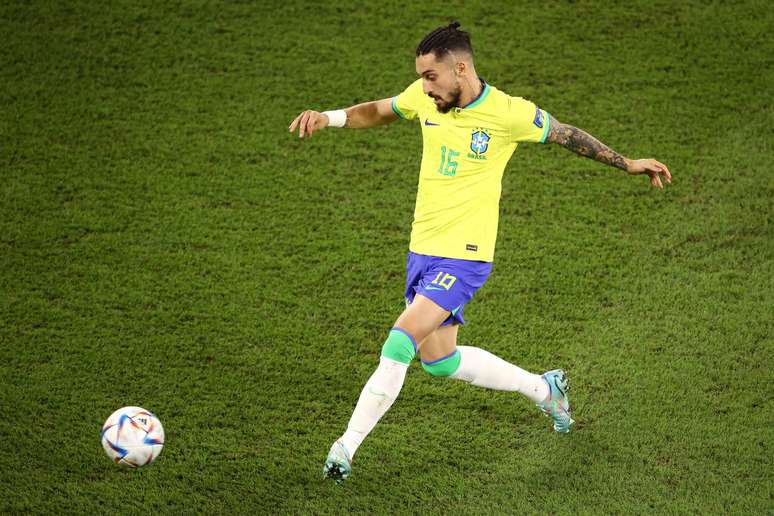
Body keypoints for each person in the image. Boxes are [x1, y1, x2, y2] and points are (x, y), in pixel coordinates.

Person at [288, 21, 672, 483]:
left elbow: (566, 134)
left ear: (461, 68)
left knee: (398, 341)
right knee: (440, 361)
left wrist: (627, 163)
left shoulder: (509, 113)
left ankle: (344, 448)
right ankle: (543, 389)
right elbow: (379, 111)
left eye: (431, 77)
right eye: (421, 78)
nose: (424, 87)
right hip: (422, 250)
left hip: (465, 257)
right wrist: (327, 117)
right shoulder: (424, 98)